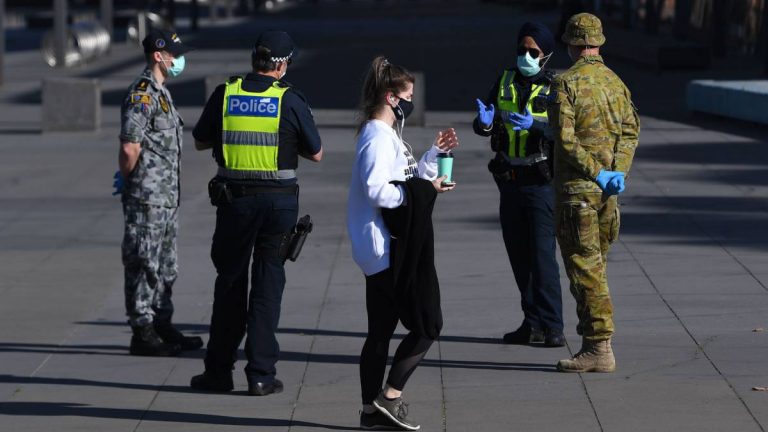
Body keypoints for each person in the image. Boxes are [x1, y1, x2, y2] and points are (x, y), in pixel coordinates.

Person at [189, 30, 322, 395]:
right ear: (280, 64)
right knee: (268, 286)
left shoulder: (226, 93)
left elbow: (200, 140)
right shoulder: (290, 99)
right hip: (279, 205)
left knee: (230, 282)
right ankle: (261, 374)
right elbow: (316, 152)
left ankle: (217, 372)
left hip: (235, 202)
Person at [347, 56, 458, 431]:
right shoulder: (377, 135)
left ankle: (368, 414)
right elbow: (379, 190)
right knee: (428, 323)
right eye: (408, 95)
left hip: (382, 246)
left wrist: (433, 156)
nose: (411, 101)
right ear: (392, 97)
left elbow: (404, 178)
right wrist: (427, 189)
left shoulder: (386, 133)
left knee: (380, 330)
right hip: (387, 247)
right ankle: (388, 397)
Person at [548, 13, 639, 373]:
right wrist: (617, 172)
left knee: (586, 269)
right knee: (596, 266)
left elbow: (566, 140)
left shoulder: (565, 83)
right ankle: (598, 343)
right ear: (598, 43)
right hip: (607, 195)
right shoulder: (616, 83)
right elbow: (630, 131)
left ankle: (598, 347)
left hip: (578, 193)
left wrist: (597, 173)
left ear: (572, 45)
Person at [473, 22, 565, 347]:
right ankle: (532, 323)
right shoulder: (505, 79)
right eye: (521, 50)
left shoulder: (557, 86)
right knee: (518, 256)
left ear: (546, 55)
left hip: (541, 182)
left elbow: (565, 132)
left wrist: (537, 126)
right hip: (509, 181)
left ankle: (553, 325)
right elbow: (486, 119)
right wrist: (484, 124)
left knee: (542, 257)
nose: (526, 56)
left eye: (533, 52)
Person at [114, 29, 202, 357]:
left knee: (166, 264)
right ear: (158, 55)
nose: (179, 60)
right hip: (147, 197)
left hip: (166, 197)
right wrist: (127, 178)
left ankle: (162, 322)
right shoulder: (143, 94)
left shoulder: (162, 92)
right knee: (143, 261)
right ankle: (142, 329)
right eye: (174, 54)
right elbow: (129, 146)